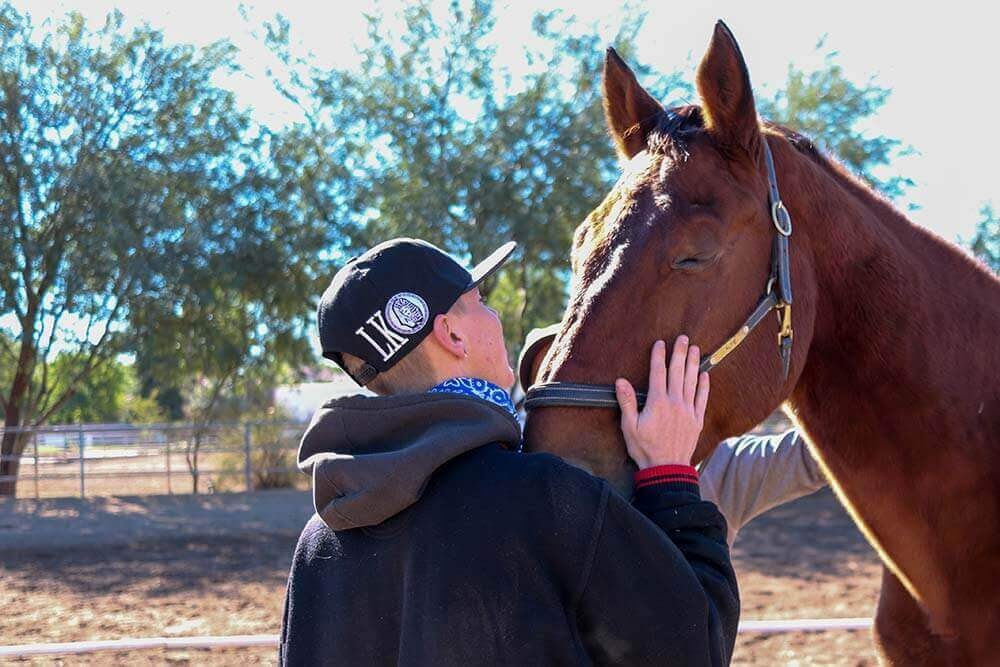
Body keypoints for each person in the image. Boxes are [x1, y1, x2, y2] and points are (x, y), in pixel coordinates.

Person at [280, 238, 739, 666]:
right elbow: (696, 648)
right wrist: (671, 479)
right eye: (481, 302)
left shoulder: (319, 544)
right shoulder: (544, 500)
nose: (495, 316)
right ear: (452, 336)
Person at [517, 326, 828, 547]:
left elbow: (813, 457)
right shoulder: (525, 481)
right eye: (547, 386)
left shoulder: (718, 469)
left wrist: (787, 369)